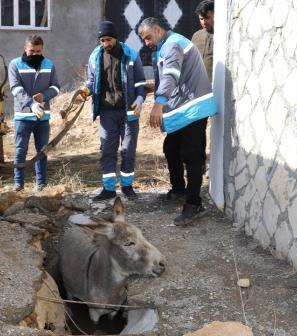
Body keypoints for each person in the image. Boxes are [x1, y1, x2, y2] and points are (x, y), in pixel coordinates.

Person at [138, 17, 217, 226]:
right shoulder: (171, 43)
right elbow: (173, 76)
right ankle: (179, 190)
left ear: (157, 30)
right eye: (144, 39)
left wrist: (159, 103)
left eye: (148, 37)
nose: (147, 42)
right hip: (186, 109)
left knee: (191, 156)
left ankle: (194, 204)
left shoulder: (172, 44)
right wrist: (153, 88)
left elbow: (172, 73)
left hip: (194, 108)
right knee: (171, 148)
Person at [81, 21, 147, 202]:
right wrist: (85, 90)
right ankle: (109, 189)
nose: (105, 44)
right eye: (102, 40)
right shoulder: (96, 56)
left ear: (116, 38)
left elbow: (141, 82)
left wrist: (140, 99)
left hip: (129, 112)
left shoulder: (131, 54)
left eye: (108, 39)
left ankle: (127, 187)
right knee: (107, 151)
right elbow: (92, 80)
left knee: (128, 150)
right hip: (107, 112)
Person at [8, 35, 60, 192]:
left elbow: (56, 87)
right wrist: (31, 104)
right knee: (20, 150)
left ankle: (41, 184)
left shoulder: (48, 64)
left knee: (42, 151)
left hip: (42, 117)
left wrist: (44, 96)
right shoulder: (15, 64)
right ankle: (18, 184)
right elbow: (15, 88)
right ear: (25, 48)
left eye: (38, 51)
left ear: (42, 49)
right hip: (23, 117)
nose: (35, 54)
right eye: (32, 51)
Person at [192, 0, 214, 82]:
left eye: (207, 18)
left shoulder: (223, 36)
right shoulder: (196, 36)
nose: (204, 22)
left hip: (217, 85)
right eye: (201, 19)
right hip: (197, 84)